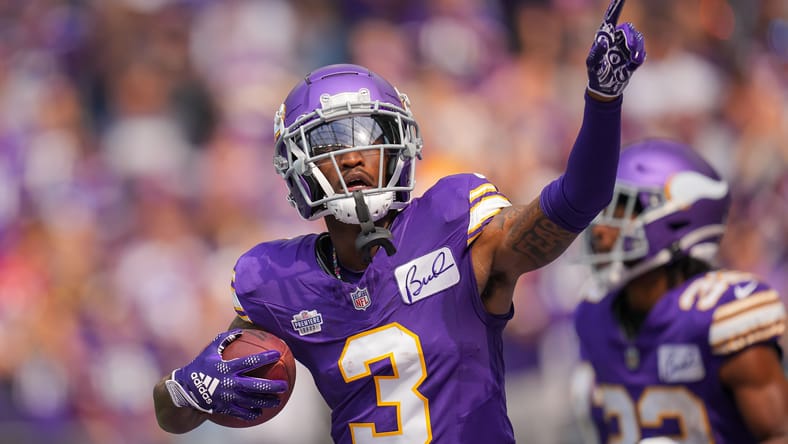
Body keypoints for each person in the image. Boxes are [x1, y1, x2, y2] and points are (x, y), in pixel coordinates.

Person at [152, 0, 646, 441]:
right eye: (329, 144)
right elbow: (173, 416)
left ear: (400, 145)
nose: (351, 157)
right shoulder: (277, 281)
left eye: (366, 136)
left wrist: (602, 102)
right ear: (297, 165)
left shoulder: (453, 219)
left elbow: (579, 200)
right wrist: (187, 388)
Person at [571, 139, 788, 443]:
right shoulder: (594, 311)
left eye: (619, 211)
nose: (601, 229)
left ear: (675, 218)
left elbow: (778, 434)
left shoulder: (720, 314)